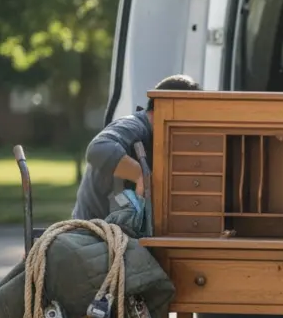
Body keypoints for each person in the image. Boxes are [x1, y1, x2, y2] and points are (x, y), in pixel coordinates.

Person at [71, 74, 196, 221]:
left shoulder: (160, 138)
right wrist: (142, 176)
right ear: (168, 107)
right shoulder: (132, 125)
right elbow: (98, 149)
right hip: (92, 236)